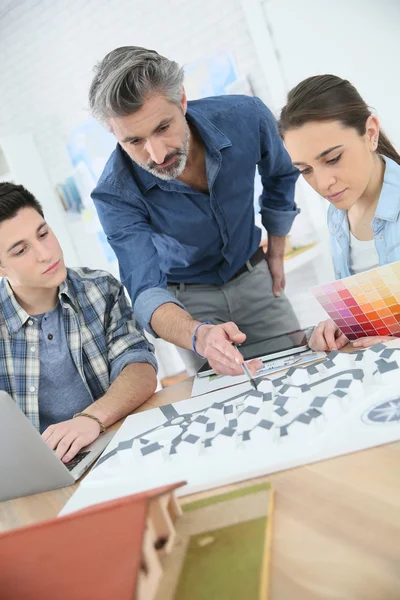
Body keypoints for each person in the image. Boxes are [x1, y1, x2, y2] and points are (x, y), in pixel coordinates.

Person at [89, 46, 300, 377]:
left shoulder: (246, 117)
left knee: (299, 370)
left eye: (162, 127)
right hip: (187, 306)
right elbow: (145, 290)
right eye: (134, 142)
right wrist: (199, 336)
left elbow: (282, 174)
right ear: (114, 135)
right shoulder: (114, 193)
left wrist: (276, 247)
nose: (156, 155)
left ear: (182, 100)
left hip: (254, 275)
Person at [0, 182, 158, 463]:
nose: (45, 253)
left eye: (43, 234)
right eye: (21, 251)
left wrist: (91, 419)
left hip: (118, 445)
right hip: (41, 475)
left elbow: (140, 368)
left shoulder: (101, 288)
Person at [278, 74, 400, 353]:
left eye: (332, 159)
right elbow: (376, 318)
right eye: (305, 170)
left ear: (370, 133)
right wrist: (340, 324)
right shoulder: (337, 217)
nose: (322, 184)